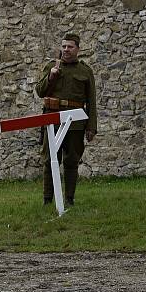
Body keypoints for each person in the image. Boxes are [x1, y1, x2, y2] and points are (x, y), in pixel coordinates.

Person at [35, 34, 97, 207]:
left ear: (78, 49)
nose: (66, 50)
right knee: (49, 160)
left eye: (70, 47)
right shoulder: (51, 66)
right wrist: (51, 77)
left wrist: (91, 127)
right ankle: (47, 200)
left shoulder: (85, 71)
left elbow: (91, 101)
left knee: (71, 161)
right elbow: (39, 91)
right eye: (64, 46)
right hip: (52, 120)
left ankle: (69, 198)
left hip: (75, 123)